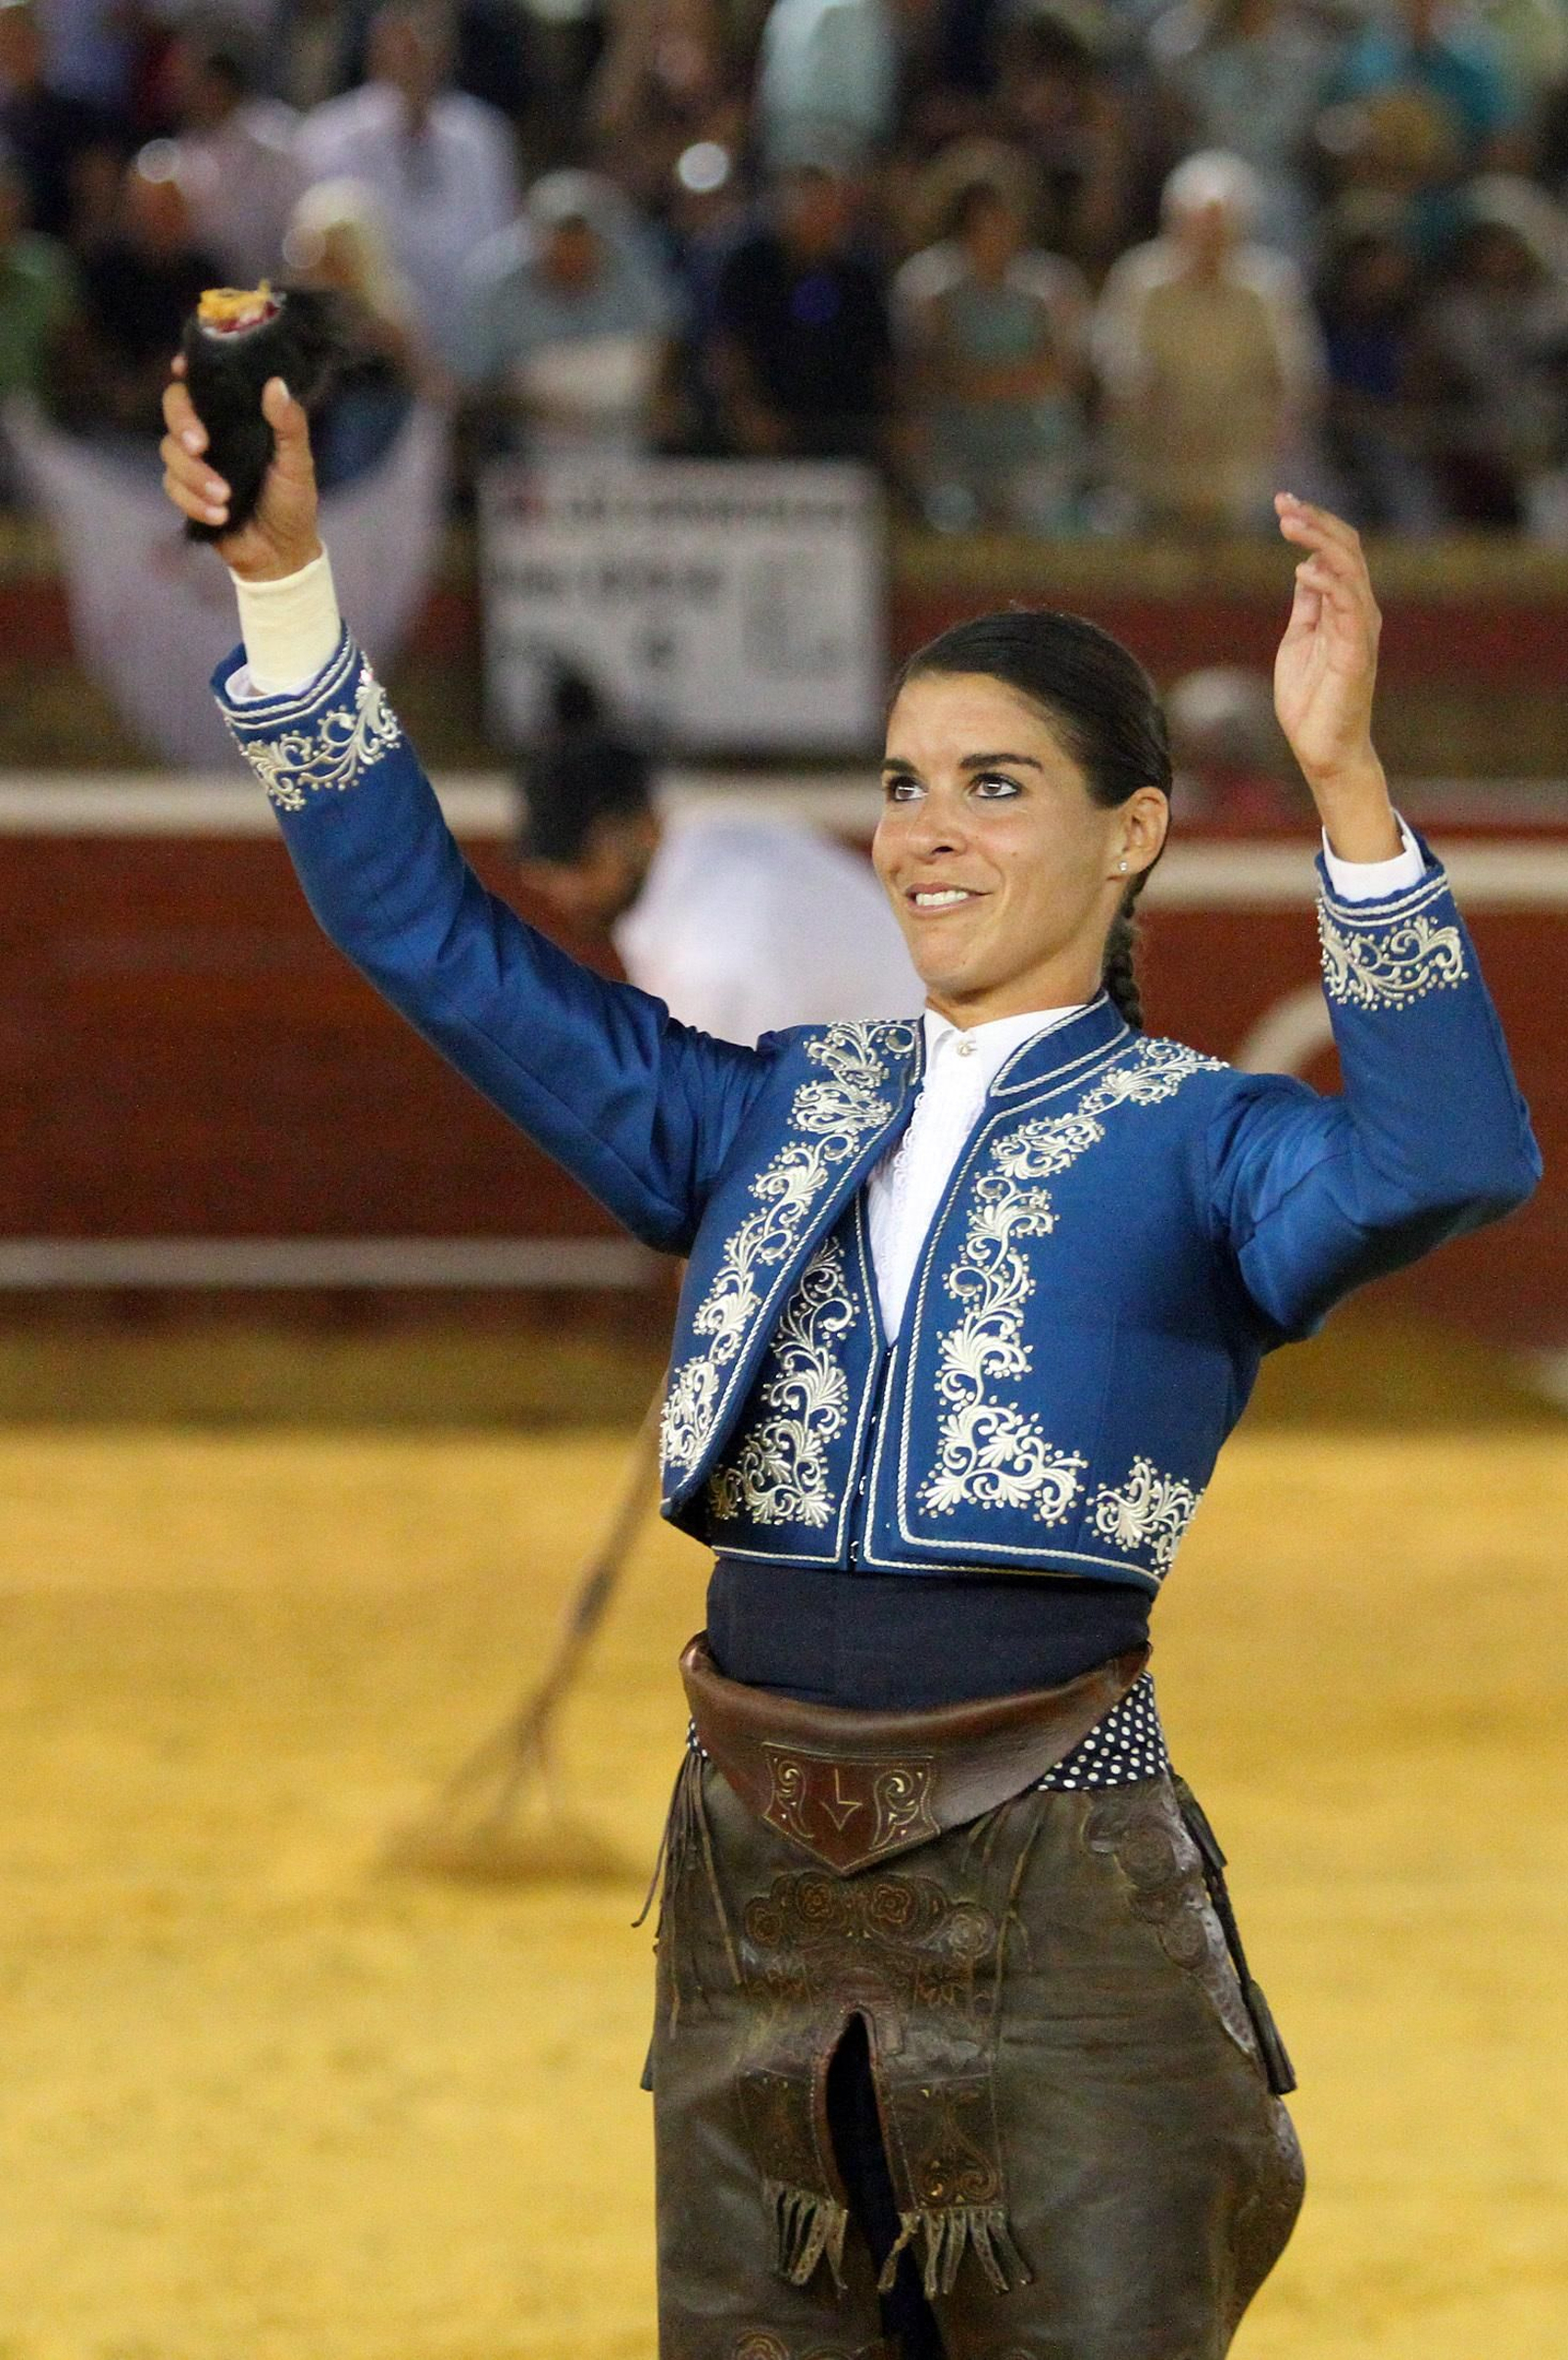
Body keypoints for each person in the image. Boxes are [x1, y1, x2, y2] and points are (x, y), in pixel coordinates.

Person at [161, 364, 1540, 2357]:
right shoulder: (761, 1109)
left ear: (1133, 831)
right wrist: (287, 592)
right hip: (745, 1900)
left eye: (994, 785)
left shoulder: (1197, 1138)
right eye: (901, 781)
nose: (923, 833)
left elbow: (1451, 1154)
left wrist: (1345, 794)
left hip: (1059, 1894)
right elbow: (434, 944)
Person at [514, 674, 922, 1041]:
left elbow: (725, 1115)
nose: (562, 888)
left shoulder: (714, 957)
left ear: (640, 828)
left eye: (578, 863)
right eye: (550, 872)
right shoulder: (714, 834)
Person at [1093, 149, 1326, 534]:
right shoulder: (1139, 281)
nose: (1211, 241)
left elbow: (1296, 380)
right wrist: (1169, 425)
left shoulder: (1271, 287)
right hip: (1154, 463)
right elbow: (1119, 370)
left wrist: (1240, 431)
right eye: (1200, 227)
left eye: (1223, 230)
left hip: (1244, 473)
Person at [295, 0, 517, 374]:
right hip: (364, 365)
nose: (414, 54)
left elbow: (500, 243)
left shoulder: (483, 134)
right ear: (375, 50)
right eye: (403, 41)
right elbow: (320, 259)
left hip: (469, 354)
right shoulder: (325, 137)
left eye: (428, 41)